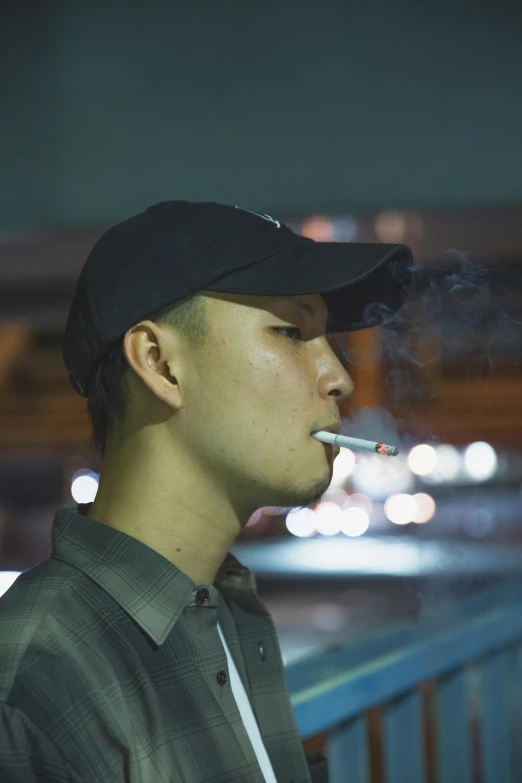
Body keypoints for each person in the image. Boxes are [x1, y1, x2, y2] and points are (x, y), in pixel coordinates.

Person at [0, 201, 413, 782]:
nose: (338, 376)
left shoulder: (228, 606)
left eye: (327, 339)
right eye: (291, 331)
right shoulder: (38, 680)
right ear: (160, 363)